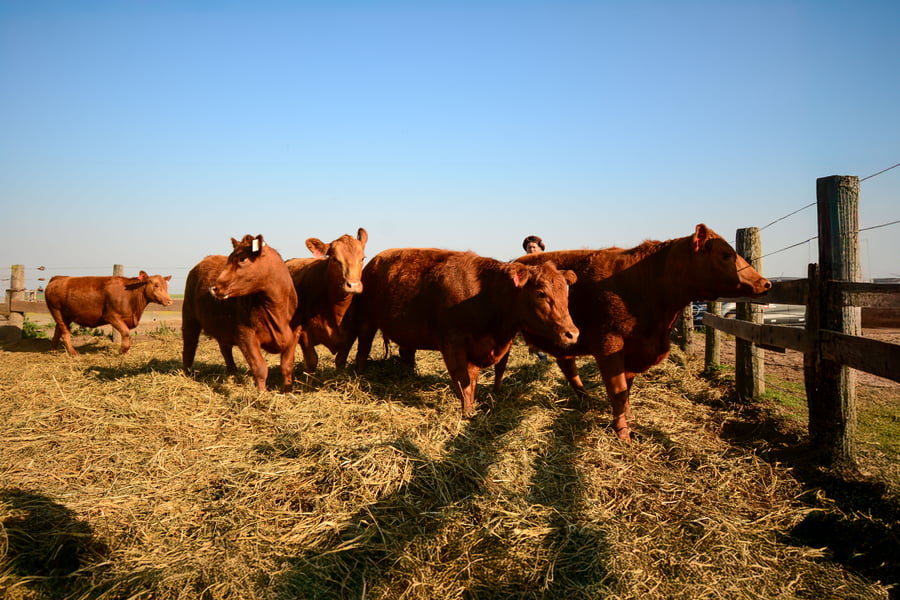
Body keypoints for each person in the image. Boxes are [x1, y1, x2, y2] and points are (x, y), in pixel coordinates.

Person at [521, 235, 549, 362]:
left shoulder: (547, 263)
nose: (531, 250)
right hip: (529, 302)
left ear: (540, 249)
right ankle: (533, 355)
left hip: (544, 301)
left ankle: (543, 357)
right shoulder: (522, 263)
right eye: (528, 248)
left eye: (534, 247)